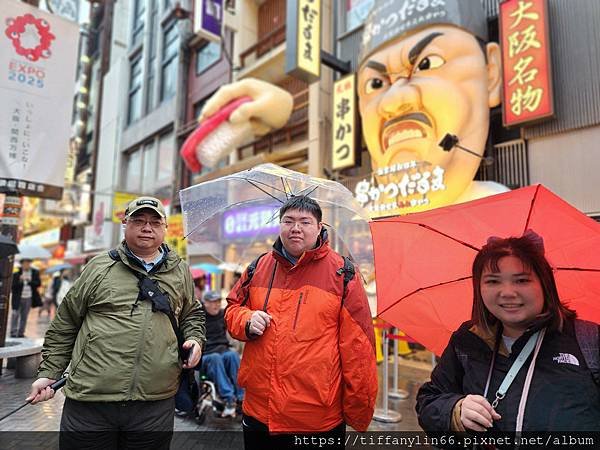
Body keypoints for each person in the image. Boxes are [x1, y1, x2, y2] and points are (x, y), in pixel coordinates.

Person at [197, 0, 507, 217]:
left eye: (426, 64)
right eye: (375, 84)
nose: (393, 101)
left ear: (491, 73)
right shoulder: (359, 230)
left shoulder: (500, 213)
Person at [28, 196, 206, 450]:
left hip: (154, 403)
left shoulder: (180, 271)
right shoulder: (99, 267)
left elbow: (192, 314)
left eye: (155, 222)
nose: (147, 227)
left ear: (165, 228)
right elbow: (65, 322)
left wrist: (195, 339)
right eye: (139, 220)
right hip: (91, 401)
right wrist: (49, 373)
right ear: (125, 224)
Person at [226, 196, 377, 449]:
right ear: (280, 225)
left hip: (317, 418)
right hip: (258, 410)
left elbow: (358, 348)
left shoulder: (343, 273)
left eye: (305, 222)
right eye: (289, 221)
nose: (296, 228)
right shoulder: (258, 266)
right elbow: (232, 309)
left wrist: (357, 411)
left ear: (319, 227)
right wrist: (246, 319)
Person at [416, 231, 600, 433]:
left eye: (522, 280)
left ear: (545, 284)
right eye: (493, 281)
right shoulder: (468, 339)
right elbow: (430, 400)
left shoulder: (589, 341)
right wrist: (455, 411)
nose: (508, 293)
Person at [200, 290, 243, 418]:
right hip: (206, 354)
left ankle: (241, 397)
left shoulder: (222, 315)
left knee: (233, 355)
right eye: (213, 302)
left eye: (218, 302)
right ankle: (229, 398)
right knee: (216, 358)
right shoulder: (199, 315)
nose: (216, 305)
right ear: (205, 303)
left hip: (222, 350)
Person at [11, 258, 42, 337]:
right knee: (15, 314)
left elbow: (38, 283)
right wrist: (20, 280)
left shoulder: (35, 272)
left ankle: (21, 332)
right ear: (21, 264)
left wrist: (29, 281)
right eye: (24, 263)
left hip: (28, 297)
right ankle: (13, 332)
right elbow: (12, 286)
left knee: (24, 316)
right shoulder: (16, 272)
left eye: (28, 263)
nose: (26, 265)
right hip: (18, 297)